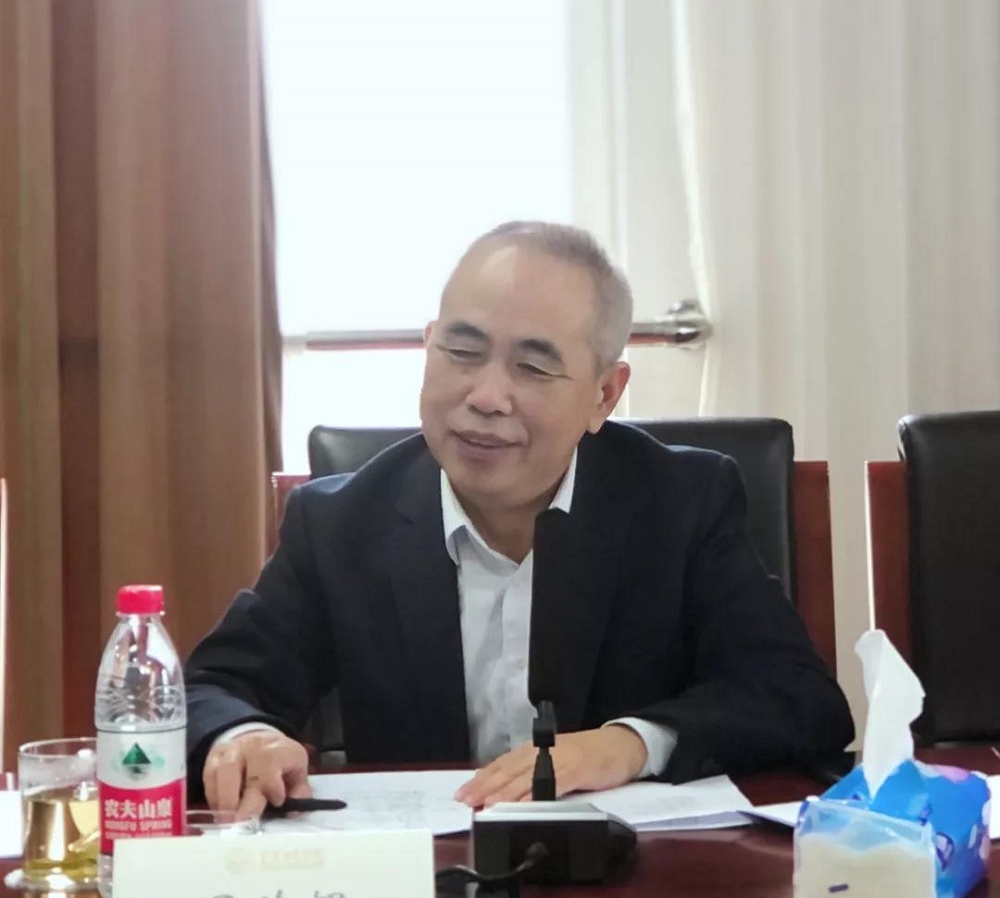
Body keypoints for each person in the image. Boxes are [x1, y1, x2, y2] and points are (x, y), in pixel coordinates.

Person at [184, 220, 854, 819]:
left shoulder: (681, 503)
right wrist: (242, 736)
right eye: (461, 351)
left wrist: (627, 745)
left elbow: (798, 698)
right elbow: (211, 690)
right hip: (431, 884)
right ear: (428, 347)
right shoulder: (341, 523)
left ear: (604, 394)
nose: (486, 396)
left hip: (632, 885)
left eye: (533, 366)